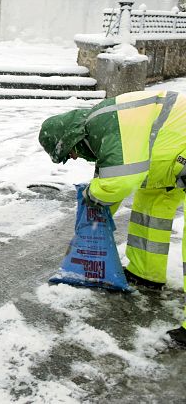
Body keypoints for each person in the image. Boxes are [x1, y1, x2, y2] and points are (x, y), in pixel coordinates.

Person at [39, 90, 186, 348]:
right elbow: (115, 182)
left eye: (70, 153)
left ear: (71, 137)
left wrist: (91, 195)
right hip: (172, 160)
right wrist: (90, 225)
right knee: (150, 205)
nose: (74, 158)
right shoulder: (102, 130)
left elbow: (120, 181)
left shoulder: (109, 123)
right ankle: (146, 274)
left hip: (179, 151)